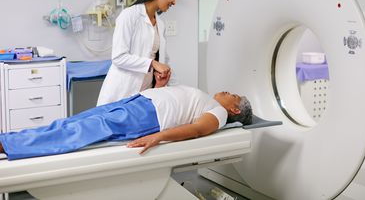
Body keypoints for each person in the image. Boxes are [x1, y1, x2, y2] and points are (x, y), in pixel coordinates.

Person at [0, 74, 253, 160]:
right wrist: (160, 85)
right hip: (141, 103)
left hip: (147, 117)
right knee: (75, 122)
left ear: (234, 110)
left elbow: (197, 130)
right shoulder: (207, 100)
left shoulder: (218, 114)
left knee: (81, 130)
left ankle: (10, 145)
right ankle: (11, 140)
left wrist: (158, 137)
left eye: (233, 95)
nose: (228, 92)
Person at [97, 0, 181, 106]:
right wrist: (152, 63)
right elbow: (118, 57)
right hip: (122, 93)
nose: (174, 2)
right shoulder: (129, 15)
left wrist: (177, 91)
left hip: (145, 93)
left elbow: (165, 60)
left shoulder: (160, 24)